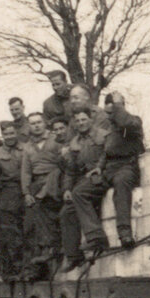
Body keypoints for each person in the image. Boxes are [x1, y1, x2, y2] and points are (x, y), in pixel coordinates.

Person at [71, 90, 144, 254]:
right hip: (108, 169)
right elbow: (107, 151)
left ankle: (125, 234)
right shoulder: (110, 129)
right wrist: (99, 167)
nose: (110, 117)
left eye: (113, 112)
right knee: (80, 192)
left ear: (121, 108)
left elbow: (126, 124)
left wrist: (118, 105)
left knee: (121, 184)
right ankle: (96, 237)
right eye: (107, 113)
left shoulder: (132, 124)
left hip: (126, 166)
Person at [59, 108, 106, 269]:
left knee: (79, 193)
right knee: (66, 211)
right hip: (86, 180)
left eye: (83, 119)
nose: (81, 123)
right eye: (77, 121)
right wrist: (66, 189)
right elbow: (70, 171)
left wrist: (99, 167)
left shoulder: (103, 135)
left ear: (90, 119)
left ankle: (96, 237)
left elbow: (108, 155)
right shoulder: (75, 143)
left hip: (103, 176)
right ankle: (73, 255)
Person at [20, 111, 65, 278]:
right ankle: (37, 267)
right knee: (31, 224)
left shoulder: (55, 139)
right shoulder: (28, 147)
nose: (36, 125)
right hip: (36, 184)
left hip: (55, 181)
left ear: (44, 123)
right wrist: (26, 193)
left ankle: (55, 253)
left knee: (53, 218)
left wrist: (47, 188)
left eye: (39, 122)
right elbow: (25, 172)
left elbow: (62, 165)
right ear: (29, 126)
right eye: (32, 123)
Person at [0, 120, 25, 278]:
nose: (9, 136)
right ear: (2, 136)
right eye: (6, 134)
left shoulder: (25, 148)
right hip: (8, 196)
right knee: (11, 236)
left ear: (16, 132)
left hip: (25, 192)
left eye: (11, 133)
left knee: (28, 232)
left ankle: (29, 267)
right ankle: (15, 269)